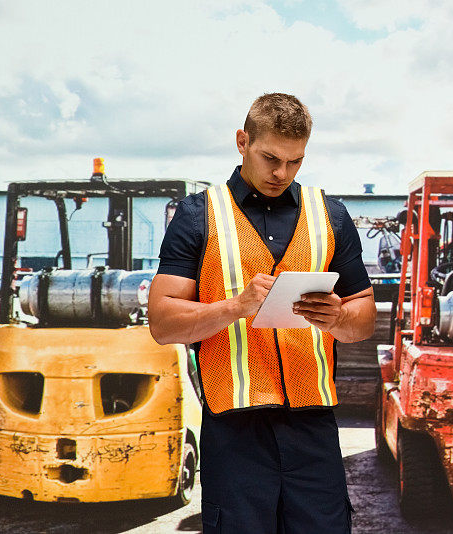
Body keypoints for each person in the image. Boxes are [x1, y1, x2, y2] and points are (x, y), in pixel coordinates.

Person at [148, 93, 376, 534]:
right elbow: (161, 322)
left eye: (295, 162)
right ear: (242, 141)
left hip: (312, 425)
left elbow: (363, 316)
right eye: (271, 157)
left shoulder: (330, 215)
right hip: (235, 429)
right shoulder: (199, 216)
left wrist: (338, 318)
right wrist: (236, 306)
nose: (281, 174)